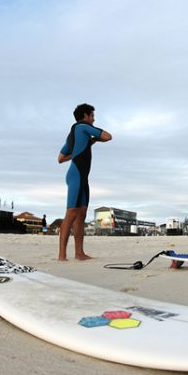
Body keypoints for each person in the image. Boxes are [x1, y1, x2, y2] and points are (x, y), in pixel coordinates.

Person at [57, 103, 112, 261]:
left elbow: (60, 158)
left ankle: (79, 253)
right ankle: (62, 255)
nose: (94, 119)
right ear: (85, 116)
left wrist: (88, 143)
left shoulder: (73, 134)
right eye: (92, 116)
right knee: (71, 213)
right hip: (76, 175)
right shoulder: (82, 127)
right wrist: (94, 140)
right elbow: (108, 136)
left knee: (81, 214)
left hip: (81, 177)